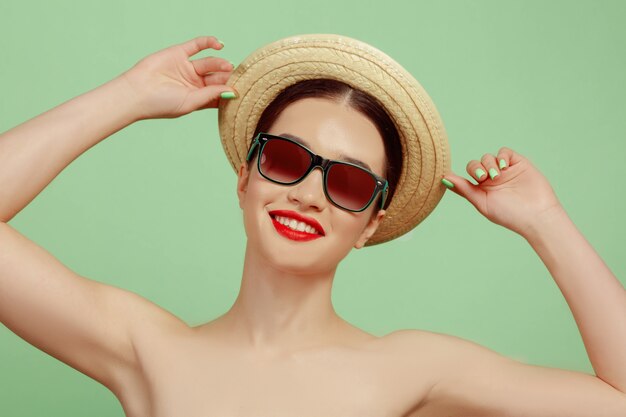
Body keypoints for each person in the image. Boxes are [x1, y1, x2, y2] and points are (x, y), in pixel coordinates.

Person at [0, 34, 624, 417]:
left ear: (373, 221)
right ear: (245, 178)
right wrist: (129, 95)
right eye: (286, 159)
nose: (307, 194)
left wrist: (546, 222)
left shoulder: (411, 368)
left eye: (348, 182)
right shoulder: (148, 350)